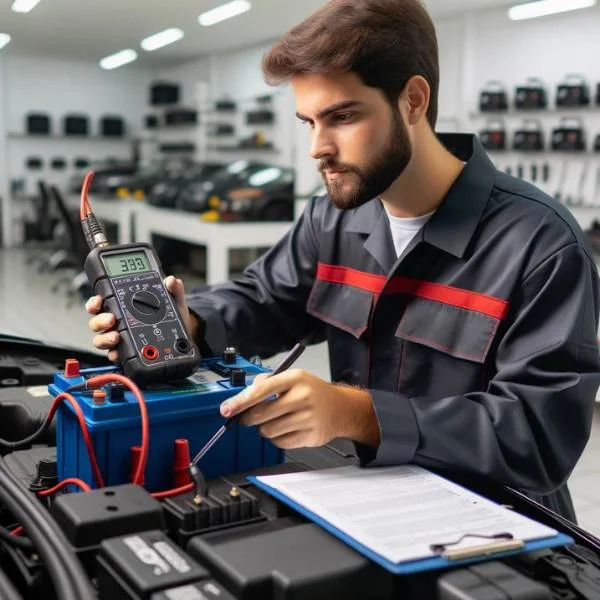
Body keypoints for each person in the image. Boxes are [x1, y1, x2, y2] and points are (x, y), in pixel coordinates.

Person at [87, 0, 600, 521]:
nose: (317, 147)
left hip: (502, 528)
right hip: (371, 501)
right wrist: (187, 322)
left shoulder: (540, 243)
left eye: (342, 117)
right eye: (308, 121)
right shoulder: (332, 222)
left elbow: (538, 436)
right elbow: (263, 298)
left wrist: (357, 413)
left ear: (413, 100)